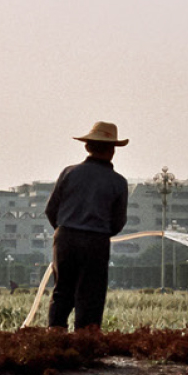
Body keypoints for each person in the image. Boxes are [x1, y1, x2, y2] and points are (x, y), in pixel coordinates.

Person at [44, 121, 129, 330]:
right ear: (112, 151)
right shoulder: (118, 182)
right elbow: (118, 221)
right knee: (91, 294)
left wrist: (64, 229)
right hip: (96, 241)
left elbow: (50, 209)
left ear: (87, 147)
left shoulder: (69, 173)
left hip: (65, 237)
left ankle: (55, 338)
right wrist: (100, 233)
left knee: (62, 290)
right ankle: (85, 343)